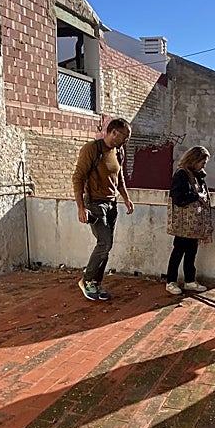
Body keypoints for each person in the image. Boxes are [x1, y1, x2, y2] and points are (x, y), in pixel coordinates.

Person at [72, 117, 134, 301]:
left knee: (107, 247)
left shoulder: (118, 151)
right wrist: (81, 208)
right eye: (125, 136)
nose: (126, 141)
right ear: (114, 132)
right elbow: (78, 178)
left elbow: (119, 177)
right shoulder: (92, 149)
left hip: (111, 204)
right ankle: (87, 280)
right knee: (104, 243)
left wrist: (126, 198)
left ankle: (96, 283)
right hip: (95, 203)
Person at [165, 146, 211, 295]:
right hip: (184, 222)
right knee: (178, 250)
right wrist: (196, 196)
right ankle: (170, 281)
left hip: (193, 223)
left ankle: (190, 280)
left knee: (191, 251)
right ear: (194, 160)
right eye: (202, 163)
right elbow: (179, 198)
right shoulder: (181, 175)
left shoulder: (197, 175)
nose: (203, 166)